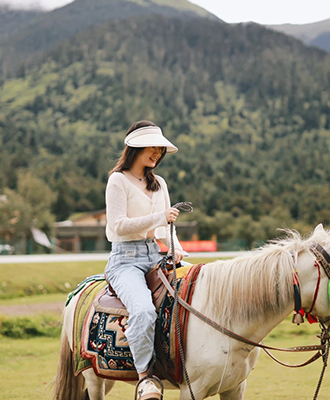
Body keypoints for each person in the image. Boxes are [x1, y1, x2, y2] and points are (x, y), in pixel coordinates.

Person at [104, 120, 187, 400]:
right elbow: (118, 225)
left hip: (156, 255)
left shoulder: (158, 183)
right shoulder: (117, 180)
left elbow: (164, 229)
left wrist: (177, 248)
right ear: (134, 147)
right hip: (125, 260)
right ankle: (145, 380)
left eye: (160, 149)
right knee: (143, 310)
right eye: (152, 147)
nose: (157, 153)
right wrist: (159, 217)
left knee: (195, 296)